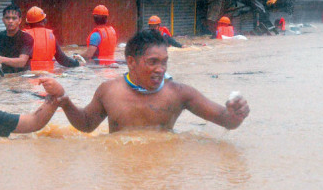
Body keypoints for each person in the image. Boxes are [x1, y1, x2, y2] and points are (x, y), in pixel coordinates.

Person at [58, 29, 249, 133]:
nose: (161, 69)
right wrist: (66, 103)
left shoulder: (179, 93)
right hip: (122, 176)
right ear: (131, 62)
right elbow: (86, 125)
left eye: (164, 62)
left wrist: (235, 115)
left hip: (162, 175)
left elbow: (224, 120)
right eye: (153, 62)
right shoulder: (109, 91)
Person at [24, 6, 83, 72]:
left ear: (28, 23)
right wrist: (77, 63)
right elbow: (63, 59)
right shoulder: (51, 36)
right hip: (48, 76)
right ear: (44, 21)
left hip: (29, 74)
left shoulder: (23, 36)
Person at [0, 4, 34, 73]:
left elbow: (22, 62)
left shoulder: (26, 38)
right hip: (5, 76)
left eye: (14, 18)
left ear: (20, 20)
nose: (10, 21)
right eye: (7, 18)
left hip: (23, 77)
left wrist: (2, 59)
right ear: (3, 20)